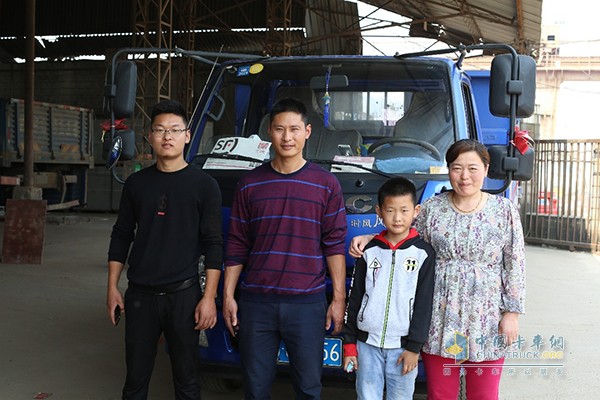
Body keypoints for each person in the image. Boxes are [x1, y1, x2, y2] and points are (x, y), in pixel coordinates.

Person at [349, 139, 526, 400]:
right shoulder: (433, 208)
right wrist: (370, 238)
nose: (464, 176)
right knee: (440, 393)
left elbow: (515, 263)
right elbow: (400, 231)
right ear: (448, 169)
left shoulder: (504, 211)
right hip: (439, 317)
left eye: (473, 168)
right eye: (457, 168)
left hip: (486, 317)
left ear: (486, 169)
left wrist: (511, 314)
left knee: (484, 394)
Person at [222, 97, 347, 399]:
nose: (287, 137)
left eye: (294, 129)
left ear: (307, 131)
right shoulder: (250, 184)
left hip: (306, 304)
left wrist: (339, 299)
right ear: (269, 133)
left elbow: (334, 245)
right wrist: (227, 296)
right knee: (255, 388)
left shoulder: (326, 184)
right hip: (257, 304)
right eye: (279, 129)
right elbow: (237, 242)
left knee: (308, 388)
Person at [106, 99, 223, 400]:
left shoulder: (205, 185)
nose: (167, 136)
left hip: (183, 296)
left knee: (187, 381)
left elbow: (213, 244)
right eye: (160, 130)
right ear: (149, 136)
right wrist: (112, 287)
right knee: (135, 381)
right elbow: (121, 236)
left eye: (174, 129)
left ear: (187, 135)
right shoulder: (136, 184)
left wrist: (209, 298)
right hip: (140, 295)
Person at [343, 177, 435, 400]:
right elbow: (354, 298)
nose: (397, 217)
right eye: (390, 210)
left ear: (416, 211)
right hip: (367, 344)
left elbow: (424, 305)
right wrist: (349, 345)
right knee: (367, 396)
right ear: (379, 212)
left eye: (404, 210)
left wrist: (414, 347)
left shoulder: (423, 253)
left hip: (402, 348)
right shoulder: (369, 251)